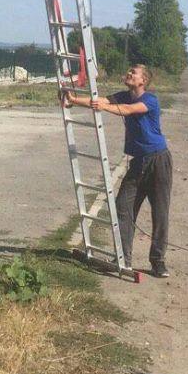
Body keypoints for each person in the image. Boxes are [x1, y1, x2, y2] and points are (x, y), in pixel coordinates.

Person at [63, 65, 173, 277]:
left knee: (160, 212)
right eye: (129, 71)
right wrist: (74, 100)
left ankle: (158, 260)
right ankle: (124, 258)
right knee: (123, 206)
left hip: (159, 160)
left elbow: (130, 110)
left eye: (134, 72)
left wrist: (103, 107)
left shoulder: (150, 100)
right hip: (138, 162)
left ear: (143, 80)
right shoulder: (124, 95)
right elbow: (102, 101)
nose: (129, 73)